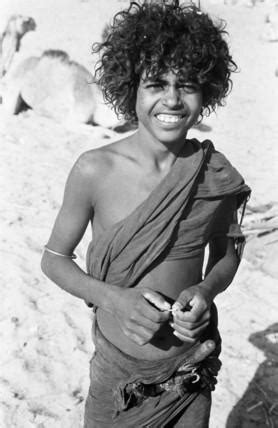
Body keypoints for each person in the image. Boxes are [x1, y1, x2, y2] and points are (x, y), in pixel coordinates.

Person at [41, 1, 251, 427]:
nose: (172, 99)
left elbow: (227, 255)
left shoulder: (214, 174)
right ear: (130, 87)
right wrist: (113, 299)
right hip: (118, 377)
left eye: (188, 85)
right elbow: (54, 259)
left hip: (191, 372)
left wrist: (206, 291)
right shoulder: (94, 169)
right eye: (156, 83)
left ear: (206, 91)